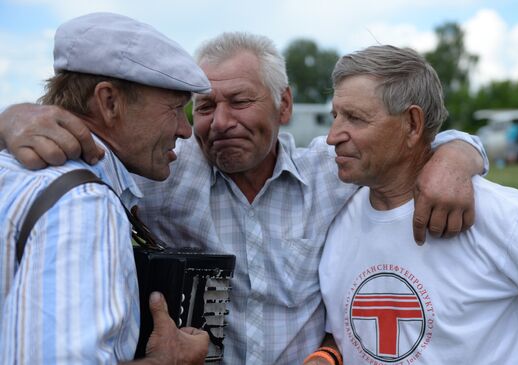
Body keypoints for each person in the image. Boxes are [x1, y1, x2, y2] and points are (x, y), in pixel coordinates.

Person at [0, 33, 488, 364]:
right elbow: (85, 143)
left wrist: (458, 154)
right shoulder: (161, 166)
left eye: (240, 101)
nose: (220, 122)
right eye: (205, 106)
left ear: (284, 105)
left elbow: (404, 142)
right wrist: (12, 119)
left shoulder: (332, 171)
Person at [311, 45, 518, 364]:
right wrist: (328, 355)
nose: (332, 136)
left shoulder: (500, 215)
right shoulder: (336, 219)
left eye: (355, 118)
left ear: (412, 124)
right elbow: (351, 336)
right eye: (335, 116)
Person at [0, 12, 211, 364]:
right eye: (175, 109)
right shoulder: (84, 205)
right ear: (109, 102)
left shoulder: (13, 168)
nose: (185, 129)